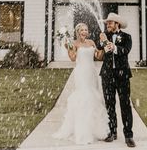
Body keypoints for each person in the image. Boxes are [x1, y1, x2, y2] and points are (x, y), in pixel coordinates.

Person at [53, 22, 109, 145]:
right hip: (81, 73)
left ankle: (96, 130)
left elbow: (98, 56)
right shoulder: (74, 43)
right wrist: (68, 46)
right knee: (84, 98)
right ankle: (83, 131)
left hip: (91, 72)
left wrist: (104, 46)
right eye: (82, 30)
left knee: (94, 97)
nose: (84, 32)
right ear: (78, 32)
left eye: (86, 30)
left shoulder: (91, 43)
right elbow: (73, 58)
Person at [98, 12, 136, 148]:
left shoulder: (127, 37)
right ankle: (112, 132)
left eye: (110, 22)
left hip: (122, 75)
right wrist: (102, 41)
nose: (107, 24)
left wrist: (114, 47)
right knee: (109, 104)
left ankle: (128, 135)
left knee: (125, 105)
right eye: (107, 23)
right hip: (107, 75)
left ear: (117, 24)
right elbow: (100, 52)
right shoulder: (104, 36)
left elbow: (125, 50)